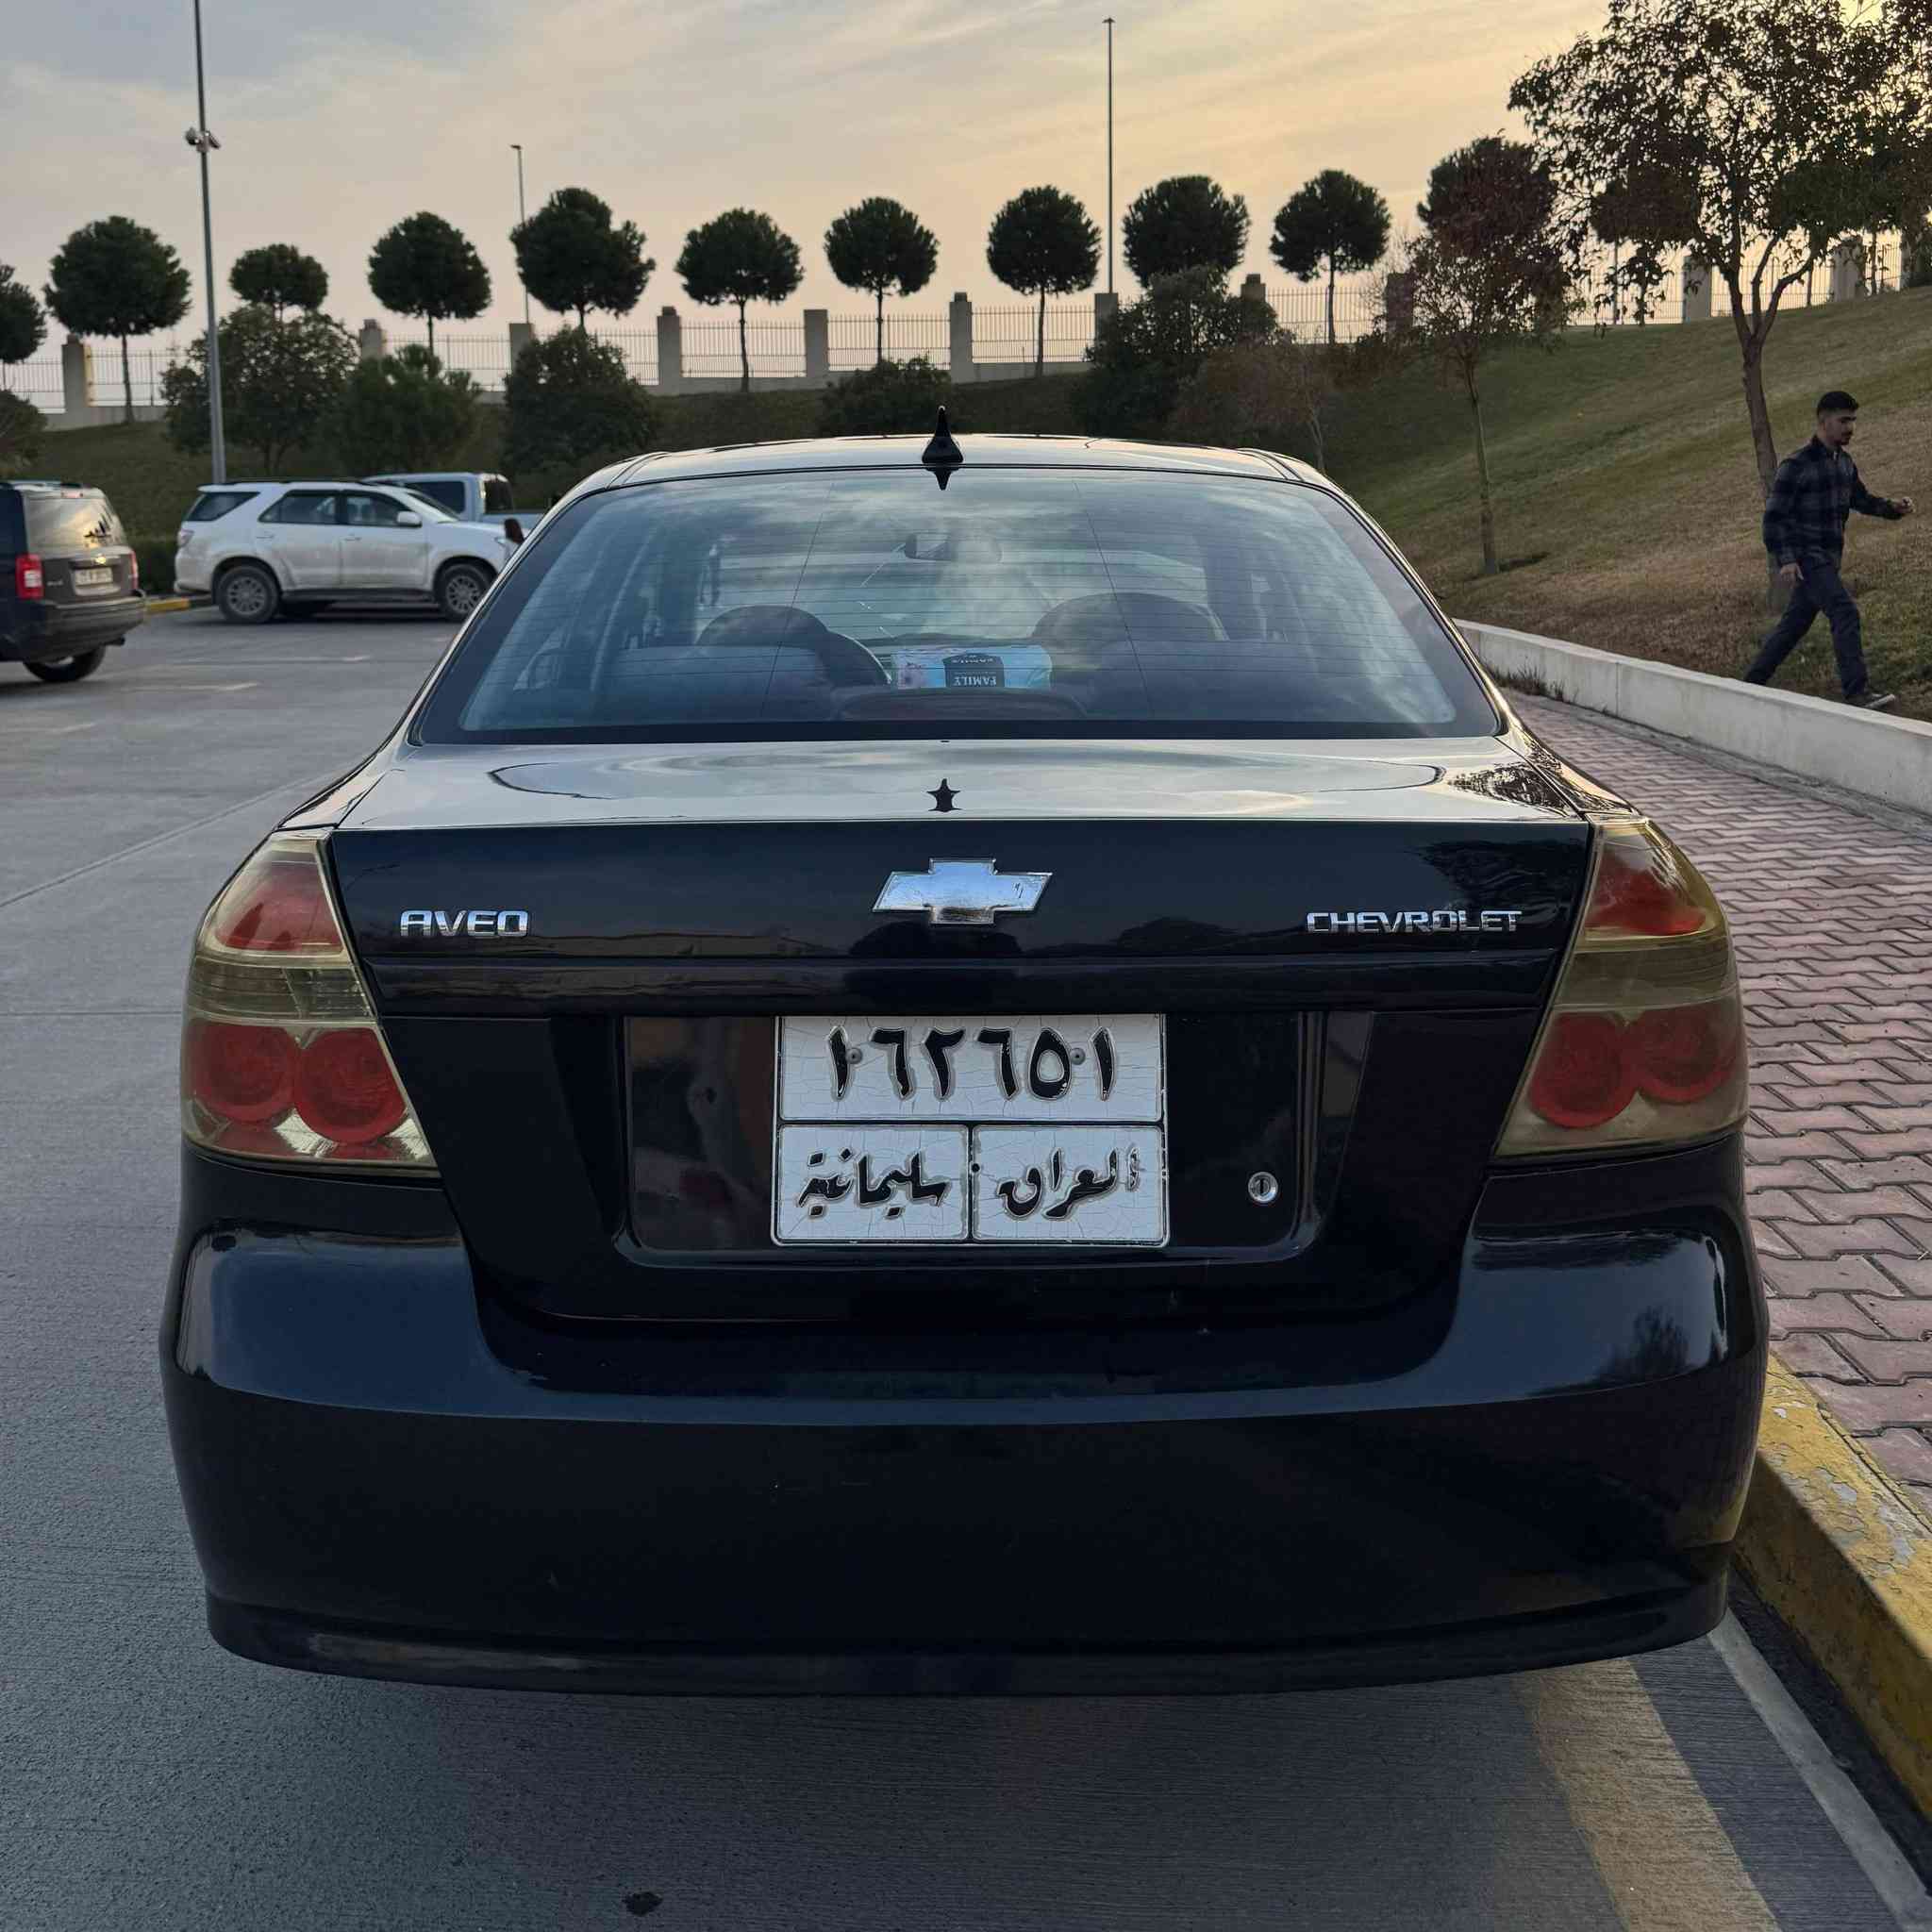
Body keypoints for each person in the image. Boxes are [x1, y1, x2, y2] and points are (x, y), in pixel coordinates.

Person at [1745, 390, 1915, 709]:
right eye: (1844, 421)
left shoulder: (1845, 464)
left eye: (1853, 420)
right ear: (1824, 422)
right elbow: (1774, 519)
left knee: (1792, 627)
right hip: (1808, 559)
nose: (1851, 428)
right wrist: (1787, 559)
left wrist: (1892, 508)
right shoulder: (1796, 465)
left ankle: (1748, 684)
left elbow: (1861, 500)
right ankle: (1857, 692)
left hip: (1830, 560)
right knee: (1844, 611)